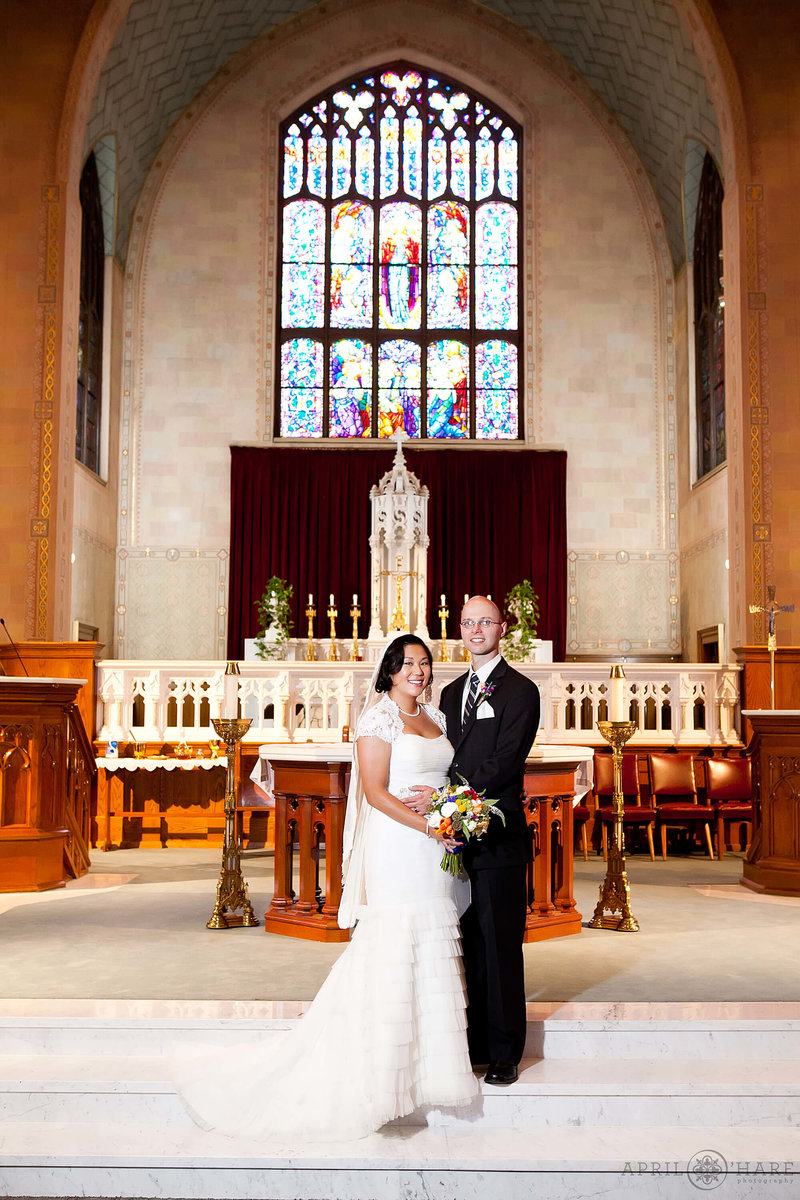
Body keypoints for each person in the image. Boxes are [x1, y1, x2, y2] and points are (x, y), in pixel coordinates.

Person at [177, 634, 479, 1142]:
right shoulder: (378, 719)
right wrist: (429, 826)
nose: (419, 672)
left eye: (424, 664)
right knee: (394, 946)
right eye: (408, 664)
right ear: (389, 670)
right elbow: (377, 794)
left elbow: (447, 776)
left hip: (434, 847)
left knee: (433, 942)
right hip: (401, 845)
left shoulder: (439, 719)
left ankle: (429, 1070)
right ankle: (380, 1075)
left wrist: (448, 806)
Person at [404, 595, 540, 1087]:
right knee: (470, 945)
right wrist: (442, 809)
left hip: (498, 838)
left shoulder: (520, 692)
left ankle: (505, 1052)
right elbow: (445, 755)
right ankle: (477, 1043)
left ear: (502, 627)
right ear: (459, 629)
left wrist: (444, 796)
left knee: (501, 945)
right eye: (468, 623)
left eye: (485, 621)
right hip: (452, 841)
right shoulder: (450, 693)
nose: (476, 629)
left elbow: (505, 763)